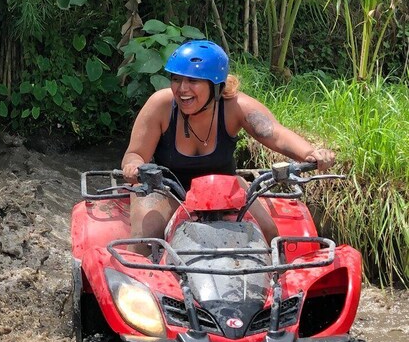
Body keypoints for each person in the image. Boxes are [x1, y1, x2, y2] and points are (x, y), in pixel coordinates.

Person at [121, 40, 335, 248]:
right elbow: (135, 154)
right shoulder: (161, 104)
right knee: (145, 239)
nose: (182, 88)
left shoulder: (235, 106)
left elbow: (275, 133)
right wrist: (133, 166)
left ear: (216, 86)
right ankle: (139, 282)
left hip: (225, 189)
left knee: (269, 232)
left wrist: (310, 152)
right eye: (176, 79)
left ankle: (275, 282)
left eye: (193, 81)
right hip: (166, 188)